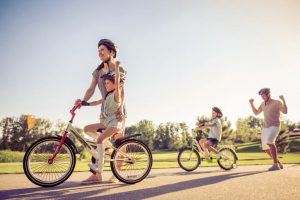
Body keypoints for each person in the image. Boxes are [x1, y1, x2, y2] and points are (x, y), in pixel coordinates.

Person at [75, 39, 126, 184]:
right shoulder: (97, 71)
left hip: (117, 109)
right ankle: (97, 174)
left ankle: (117, 174)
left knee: (119, 142)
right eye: (98, 51)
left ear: (111, 52)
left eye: (102, 49)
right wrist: (83, 101)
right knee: (99, 142)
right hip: (104, 110)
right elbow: (91, 88)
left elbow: (122, 91)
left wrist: (121, 109)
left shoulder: (119, 69)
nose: (100, 53)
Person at [249, 88, 288, 171]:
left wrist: (283, 100)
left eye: (263, 95)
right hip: (265, 127)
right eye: (261, 95)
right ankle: (278, 163)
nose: (262, 97)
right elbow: (256, 113)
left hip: (275, 125)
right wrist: (251, 104)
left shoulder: (277, 102)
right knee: (266, 148)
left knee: (270, 142)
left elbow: (285, 111)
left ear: (268, 94)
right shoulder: (263, 104)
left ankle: (275, 164)